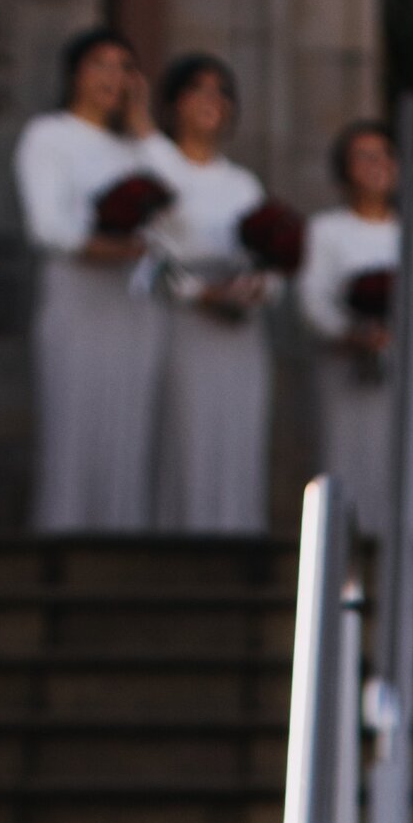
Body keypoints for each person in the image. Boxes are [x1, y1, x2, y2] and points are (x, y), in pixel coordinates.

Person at [14, 28, 169, 534]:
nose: (113, 77)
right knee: (73, 427)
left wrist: (144, 123)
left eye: (125, 67)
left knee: (127, 431)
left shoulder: (136, 149)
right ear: (75, 73)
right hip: (78, 300)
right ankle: (64, 543)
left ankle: (126, 545)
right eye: (101, 64)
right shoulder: (49, 135)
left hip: (131, 305)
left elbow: (178, 203)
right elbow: (48, 225)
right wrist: (109, 246)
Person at [298, 121, 413, 544]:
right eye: (366, 156)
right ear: (345, 168)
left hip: (403, 374)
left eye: (386, 155)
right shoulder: (326, 231)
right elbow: (311, 303)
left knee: (401, 470)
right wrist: (353, 335)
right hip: (346, 372)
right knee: (344, 466)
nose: (379, 165)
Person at [146, 53, 277, 536]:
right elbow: (148, 255)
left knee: (237, 437)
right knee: (186, 435)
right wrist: (201, 293)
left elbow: (269, 256)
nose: (212, 101)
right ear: (175, 101)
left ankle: (237, 536)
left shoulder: (242, 183)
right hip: (184, 326)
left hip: (238, 334)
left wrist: (258, 288)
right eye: (199, 89)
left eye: (222, 91)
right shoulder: (156, 166)